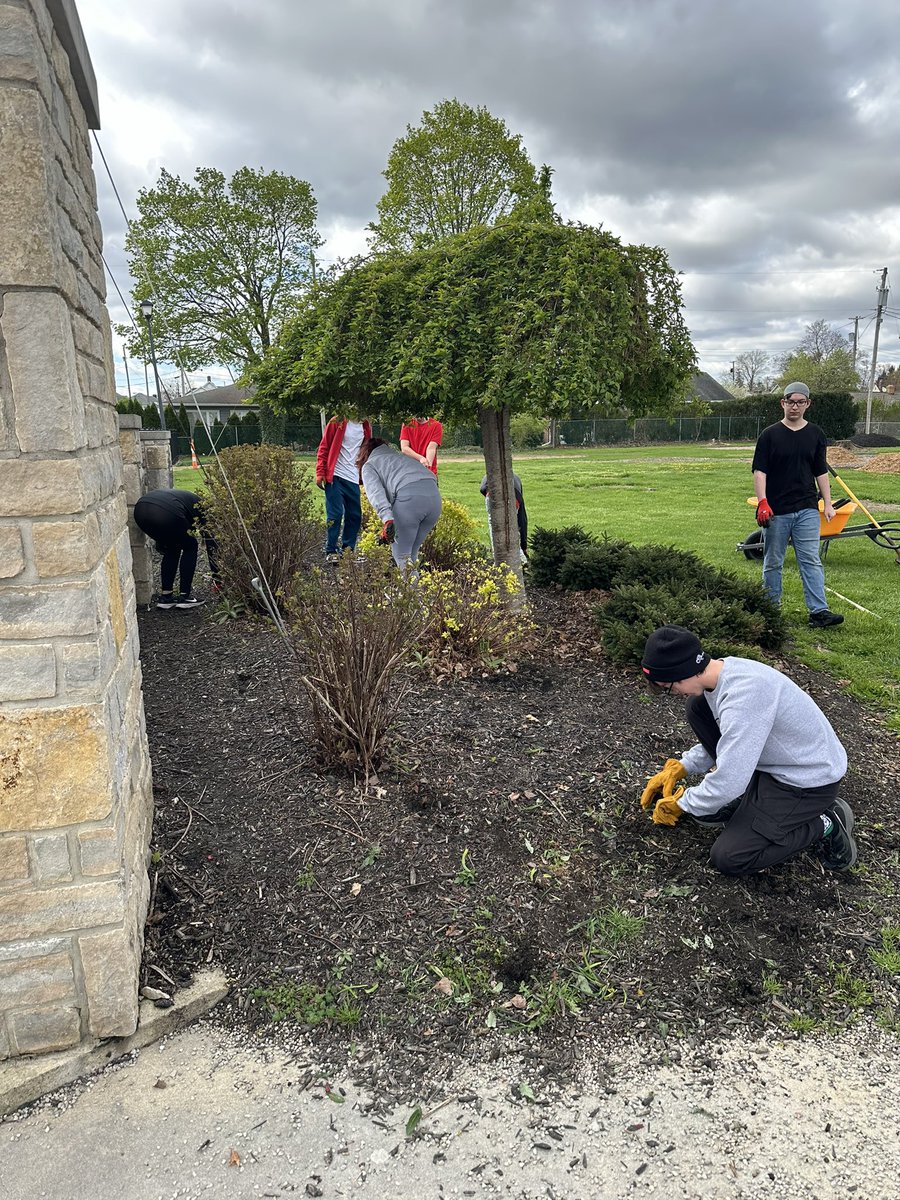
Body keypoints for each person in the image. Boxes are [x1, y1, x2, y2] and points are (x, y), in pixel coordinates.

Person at [639, 625, 855, 877]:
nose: (672, 693)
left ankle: (827, 823)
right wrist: (683, 766)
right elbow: (732, 741)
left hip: (806, 782)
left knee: (731, 857)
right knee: (697, 707)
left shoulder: (745, 697)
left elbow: (731, 779)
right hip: (774, 765)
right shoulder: (719, 676)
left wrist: (683, 803)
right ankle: (751, 803)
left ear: (683, 672)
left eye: (668, 686)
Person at [751, 382, 843, 629]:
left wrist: (828, 503)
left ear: (807, 404)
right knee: (773, 561)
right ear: (782, 403)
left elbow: (820, 470)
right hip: (777, 510)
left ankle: (819, 612)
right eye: (790, 401)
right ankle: (771, 609)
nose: (795, 406)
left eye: (800, 402)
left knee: (811, 560)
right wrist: (762, 501)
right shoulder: (769, 435)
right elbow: (760, 471)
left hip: (806, 508)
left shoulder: (815, 434)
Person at [358, 438, 442, 570]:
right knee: (411, 553)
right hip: (434, 499)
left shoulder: (370, 465)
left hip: (410, 500)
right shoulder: (401, 458)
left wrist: (387, 520)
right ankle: (415, 589)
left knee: (402, 555)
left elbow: (376, 495)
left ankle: (412, 591)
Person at [134, 488, 219, 610]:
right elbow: (211, 545)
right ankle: (185, 596)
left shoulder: (190, 500)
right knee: (191, 546)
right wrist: (218, 577)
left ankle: (166, 597)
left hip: (140, 510)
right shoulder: (206, 511)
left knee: (172, 547)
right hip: (165, 510)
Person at [315, 415, 372, 562]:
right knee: (335, 513)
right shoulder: (337, 421)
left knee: (354, 515)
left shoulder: (365, 426)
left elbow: (366, 451)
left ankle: (348, 551)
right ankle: (331, 550)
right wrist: (320, 472)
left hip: (352, 477)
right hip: (335, 476)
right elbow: (324, 446)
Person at [479, 472, 528, 562]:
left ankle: (497, 557)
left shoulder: (487, 477)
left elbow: (482, 489)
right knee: (513, 528)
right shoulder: (516, 480)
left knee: (493, 524)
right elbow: (522, 519)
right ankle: (523, 562)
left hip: (491, 493)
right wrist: (524, 546)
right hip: (511, 496)